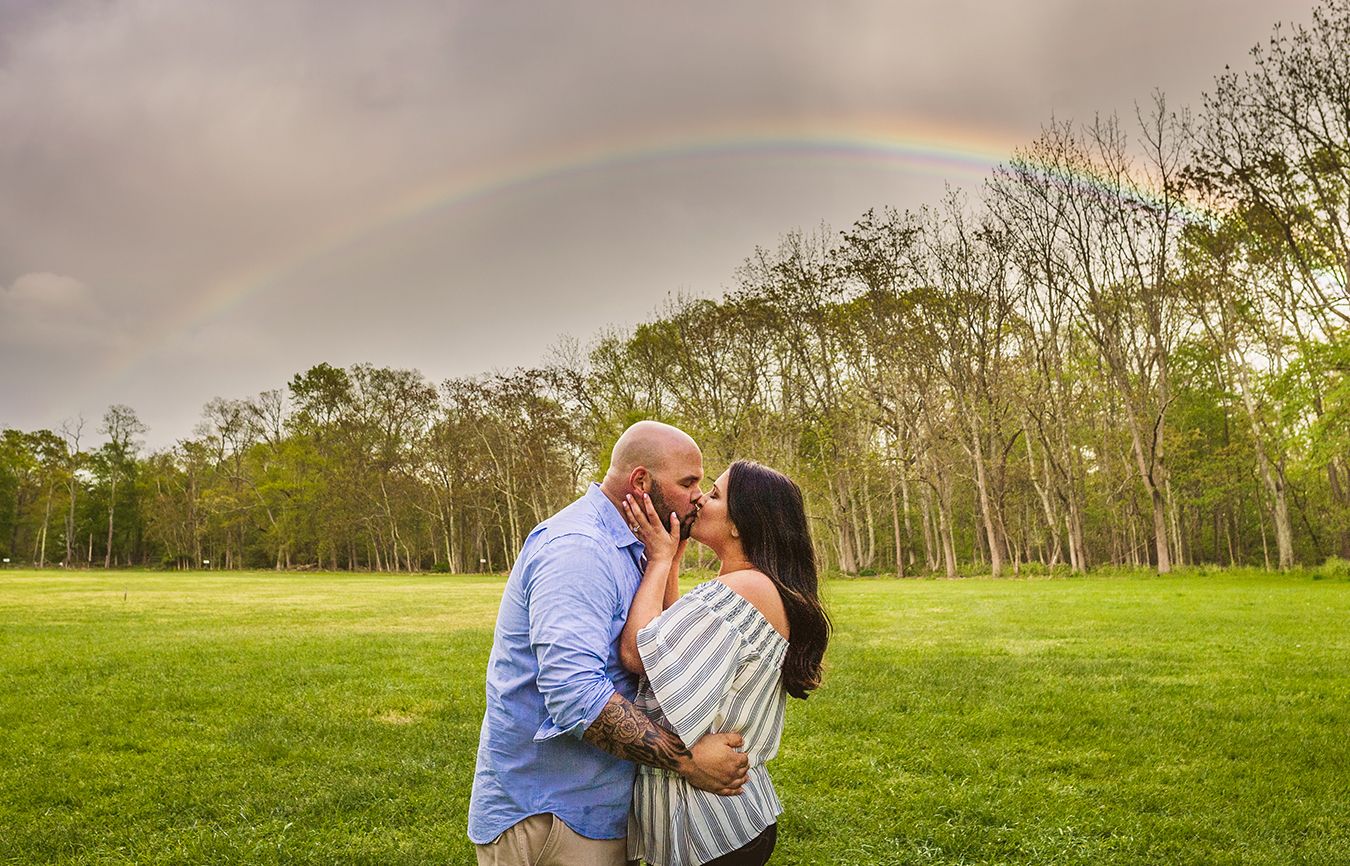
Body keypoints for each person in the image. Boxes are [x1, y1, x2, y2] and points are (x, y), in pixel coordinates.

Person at [469, 421, 751, 866]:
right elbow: (573, 692)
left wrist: (667, 559)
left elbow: (656, 653)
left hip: (594, 810)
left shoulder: (633, 545)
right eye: (688, 482)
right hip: (553, 817)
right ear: (641, 481)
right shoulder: (579, 550)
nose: (698, 495)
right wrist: (690, 762)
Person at [618, 460, 830, 866]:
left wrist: (659, 561)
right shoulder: (756, 586)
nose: (699, 497)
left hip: (711, 829)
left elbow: (639, 654)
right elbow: (679, 647)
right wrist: (675, 564)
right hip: (732, 820)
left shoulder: (744, 589)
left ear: (739, 524)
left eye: (714, 494)